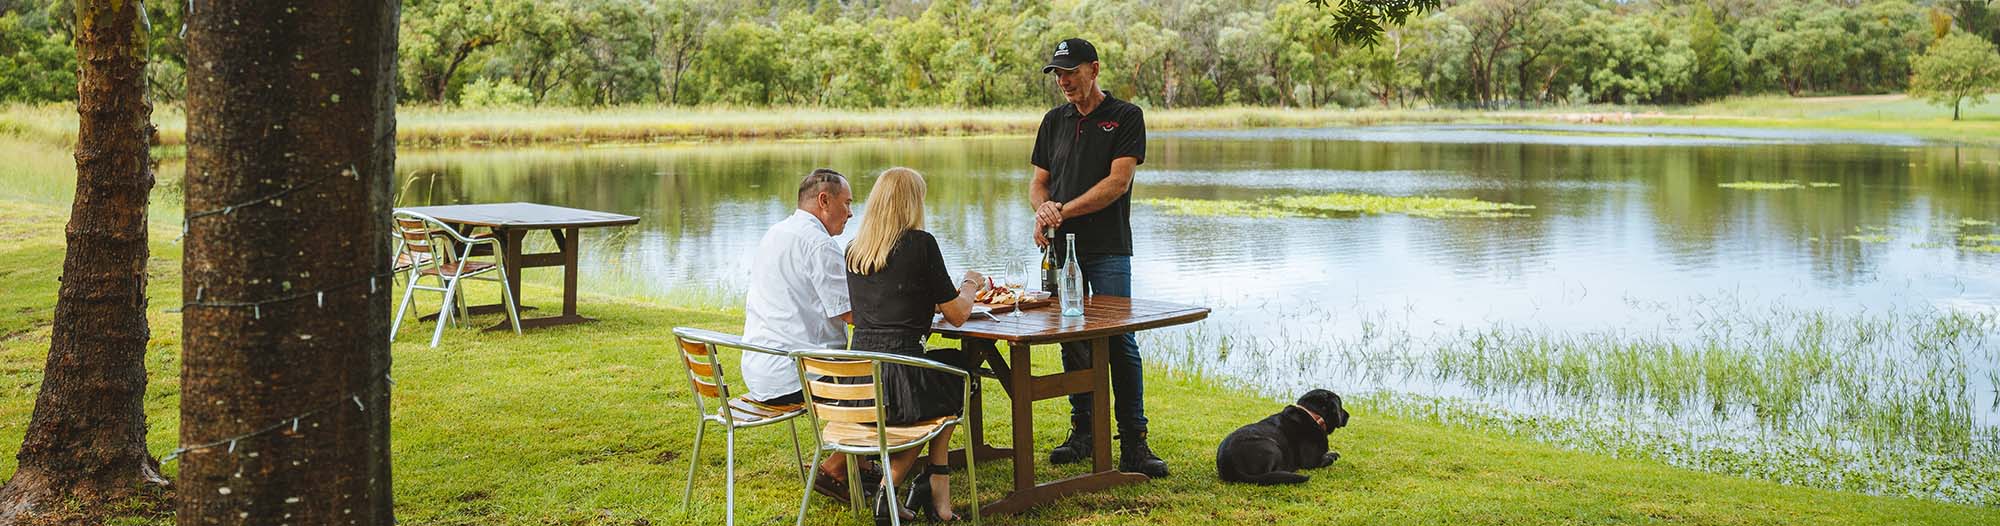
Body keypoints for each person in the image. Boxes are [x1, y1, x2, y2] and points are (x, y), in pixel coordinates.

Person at [1028, 37, 1167, 478]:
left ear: (1094, 69)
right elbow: (1038, 183)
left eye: (1071, 72)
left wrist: (1061, 210)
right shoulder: (1053, 121)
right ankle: (1084, 432)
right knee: (1071, 335)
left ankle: (1134, 442)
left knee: (1119, 338)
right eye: (1058, 74)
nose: (1064, 81)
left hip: (1107, 247)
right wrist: (1043, 209)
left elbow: (1117, 184)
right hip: (1059, 248)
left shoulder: (1126, 117)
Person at [843, 167, 985, 522]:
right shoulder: (921, 244)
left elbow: (888, 299)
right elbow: (957, 314)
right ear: (911, 203)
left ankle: (935, 485)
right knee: (961, 376)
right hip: (900, 381)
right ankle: (893, 487)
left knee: (953, 369)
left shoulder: (854, 251)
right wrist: (970, 284)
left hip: (859, 382)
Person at [737, 168, 874, 503]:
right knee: (888, 376)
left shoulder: (776, 233)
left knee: (867, 371)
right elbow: (852, 314)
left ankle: (865, 463)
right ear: (824, 201)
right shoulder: (819, 244)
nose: (852, 212)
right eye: (847, 203)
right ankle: (836, 466)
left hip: (760, 369)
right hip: (795, 374)